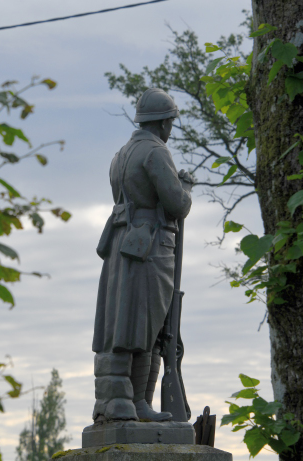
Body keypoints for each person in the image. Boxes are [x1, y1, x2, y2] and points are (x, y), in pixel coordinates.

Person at [92, 88, 194, 423]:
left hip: (123, 244)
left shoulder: (120, 155)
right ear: (164, 122)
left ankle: (125, 403)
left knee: (125, 322)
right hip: (151, 247)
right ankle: (137, 403)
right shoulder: (155, 152)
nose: (170, 128)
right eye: (170, 122)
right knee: (148, 326)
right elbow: (176, 204)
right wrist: (186, 189)